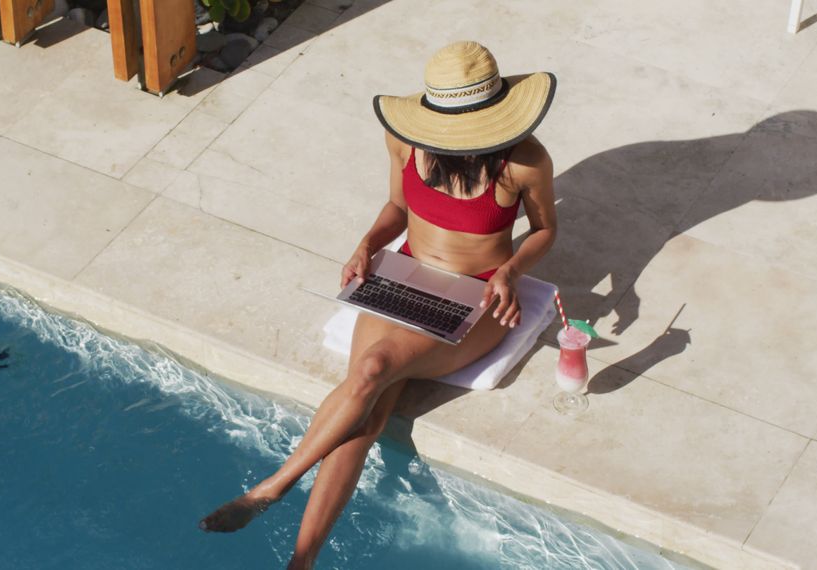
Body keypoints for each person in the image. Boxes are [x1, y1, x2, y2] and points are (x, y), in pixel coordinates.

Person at [199, 41, 559, 569]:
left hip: (475, 297)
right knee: (364, 411)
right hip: (403, 274)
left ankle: (270, 489)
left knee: (371, 369)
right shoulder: (404, 139)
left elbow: (546, 230)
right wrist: (368, 244)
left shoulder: (525, 160)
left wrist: (510, 270)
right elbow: (396, 205)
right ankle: (302, 562)